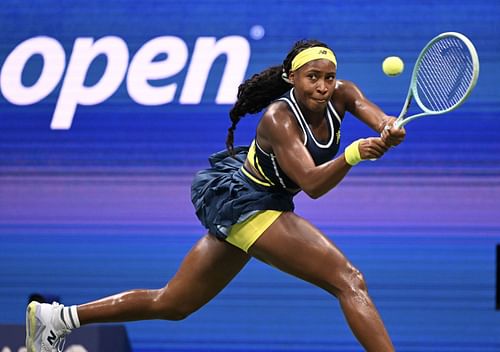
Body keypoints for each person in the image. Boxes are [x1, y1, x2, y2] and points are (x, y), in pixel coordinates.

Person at [26, 39, 405, 352]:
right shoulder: (278, 118)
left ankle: (58, 318)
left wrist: (388, 128)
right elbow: (312, 184)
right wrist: (354, 154)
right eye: (312, 78)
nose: (322, 86)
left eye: (328, 77)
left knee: (173, 303)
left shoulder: (343, 94)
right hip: (251, 206)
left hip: (255, 204)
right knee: (349, 280)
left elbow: (375, 116)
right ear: (292, 78)